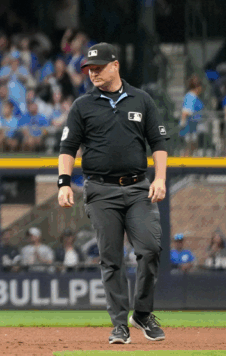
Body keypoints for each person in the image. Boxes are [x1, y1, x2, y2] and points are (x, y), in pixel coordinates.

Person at [57, 42, 169, 344]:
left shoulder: (141, 100)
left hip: (137, 188)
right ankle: (120, 324)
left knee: (150, 249)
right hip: (100, 189)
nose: (92, 73)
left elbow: (158, 143)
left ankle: (142, 314)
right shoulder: (82, 105)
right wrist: (63, 182)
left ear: (115, 65)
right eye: (89, 69)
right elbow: (68, 148)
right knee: (111, 258)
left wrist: (160, 178)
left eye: (98, 67)